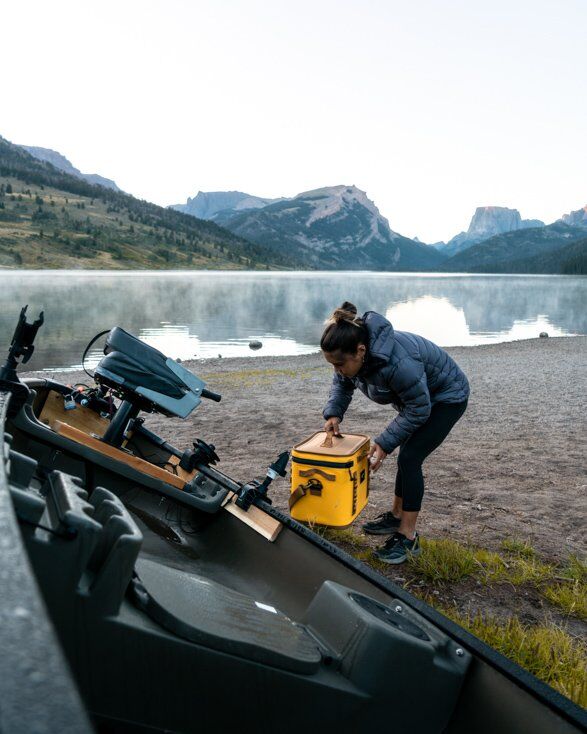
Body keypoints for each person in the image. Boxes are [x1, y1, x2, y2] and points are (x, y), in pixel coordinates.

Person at [321, 302, 470, 564]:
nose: (337, 370)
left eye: (339, 364)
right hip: (420, 400)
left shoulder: (397, 362)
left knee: (410, 457)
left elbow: (419, 408)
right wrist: (334, 413)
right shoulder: (354, 355)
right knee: (406, 455)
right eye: (332, 364)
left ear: (361, 351)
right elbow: (343, 384)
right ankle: (396, 516)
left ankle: (408, 537)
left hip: (447, 398)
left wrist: (385, 443)